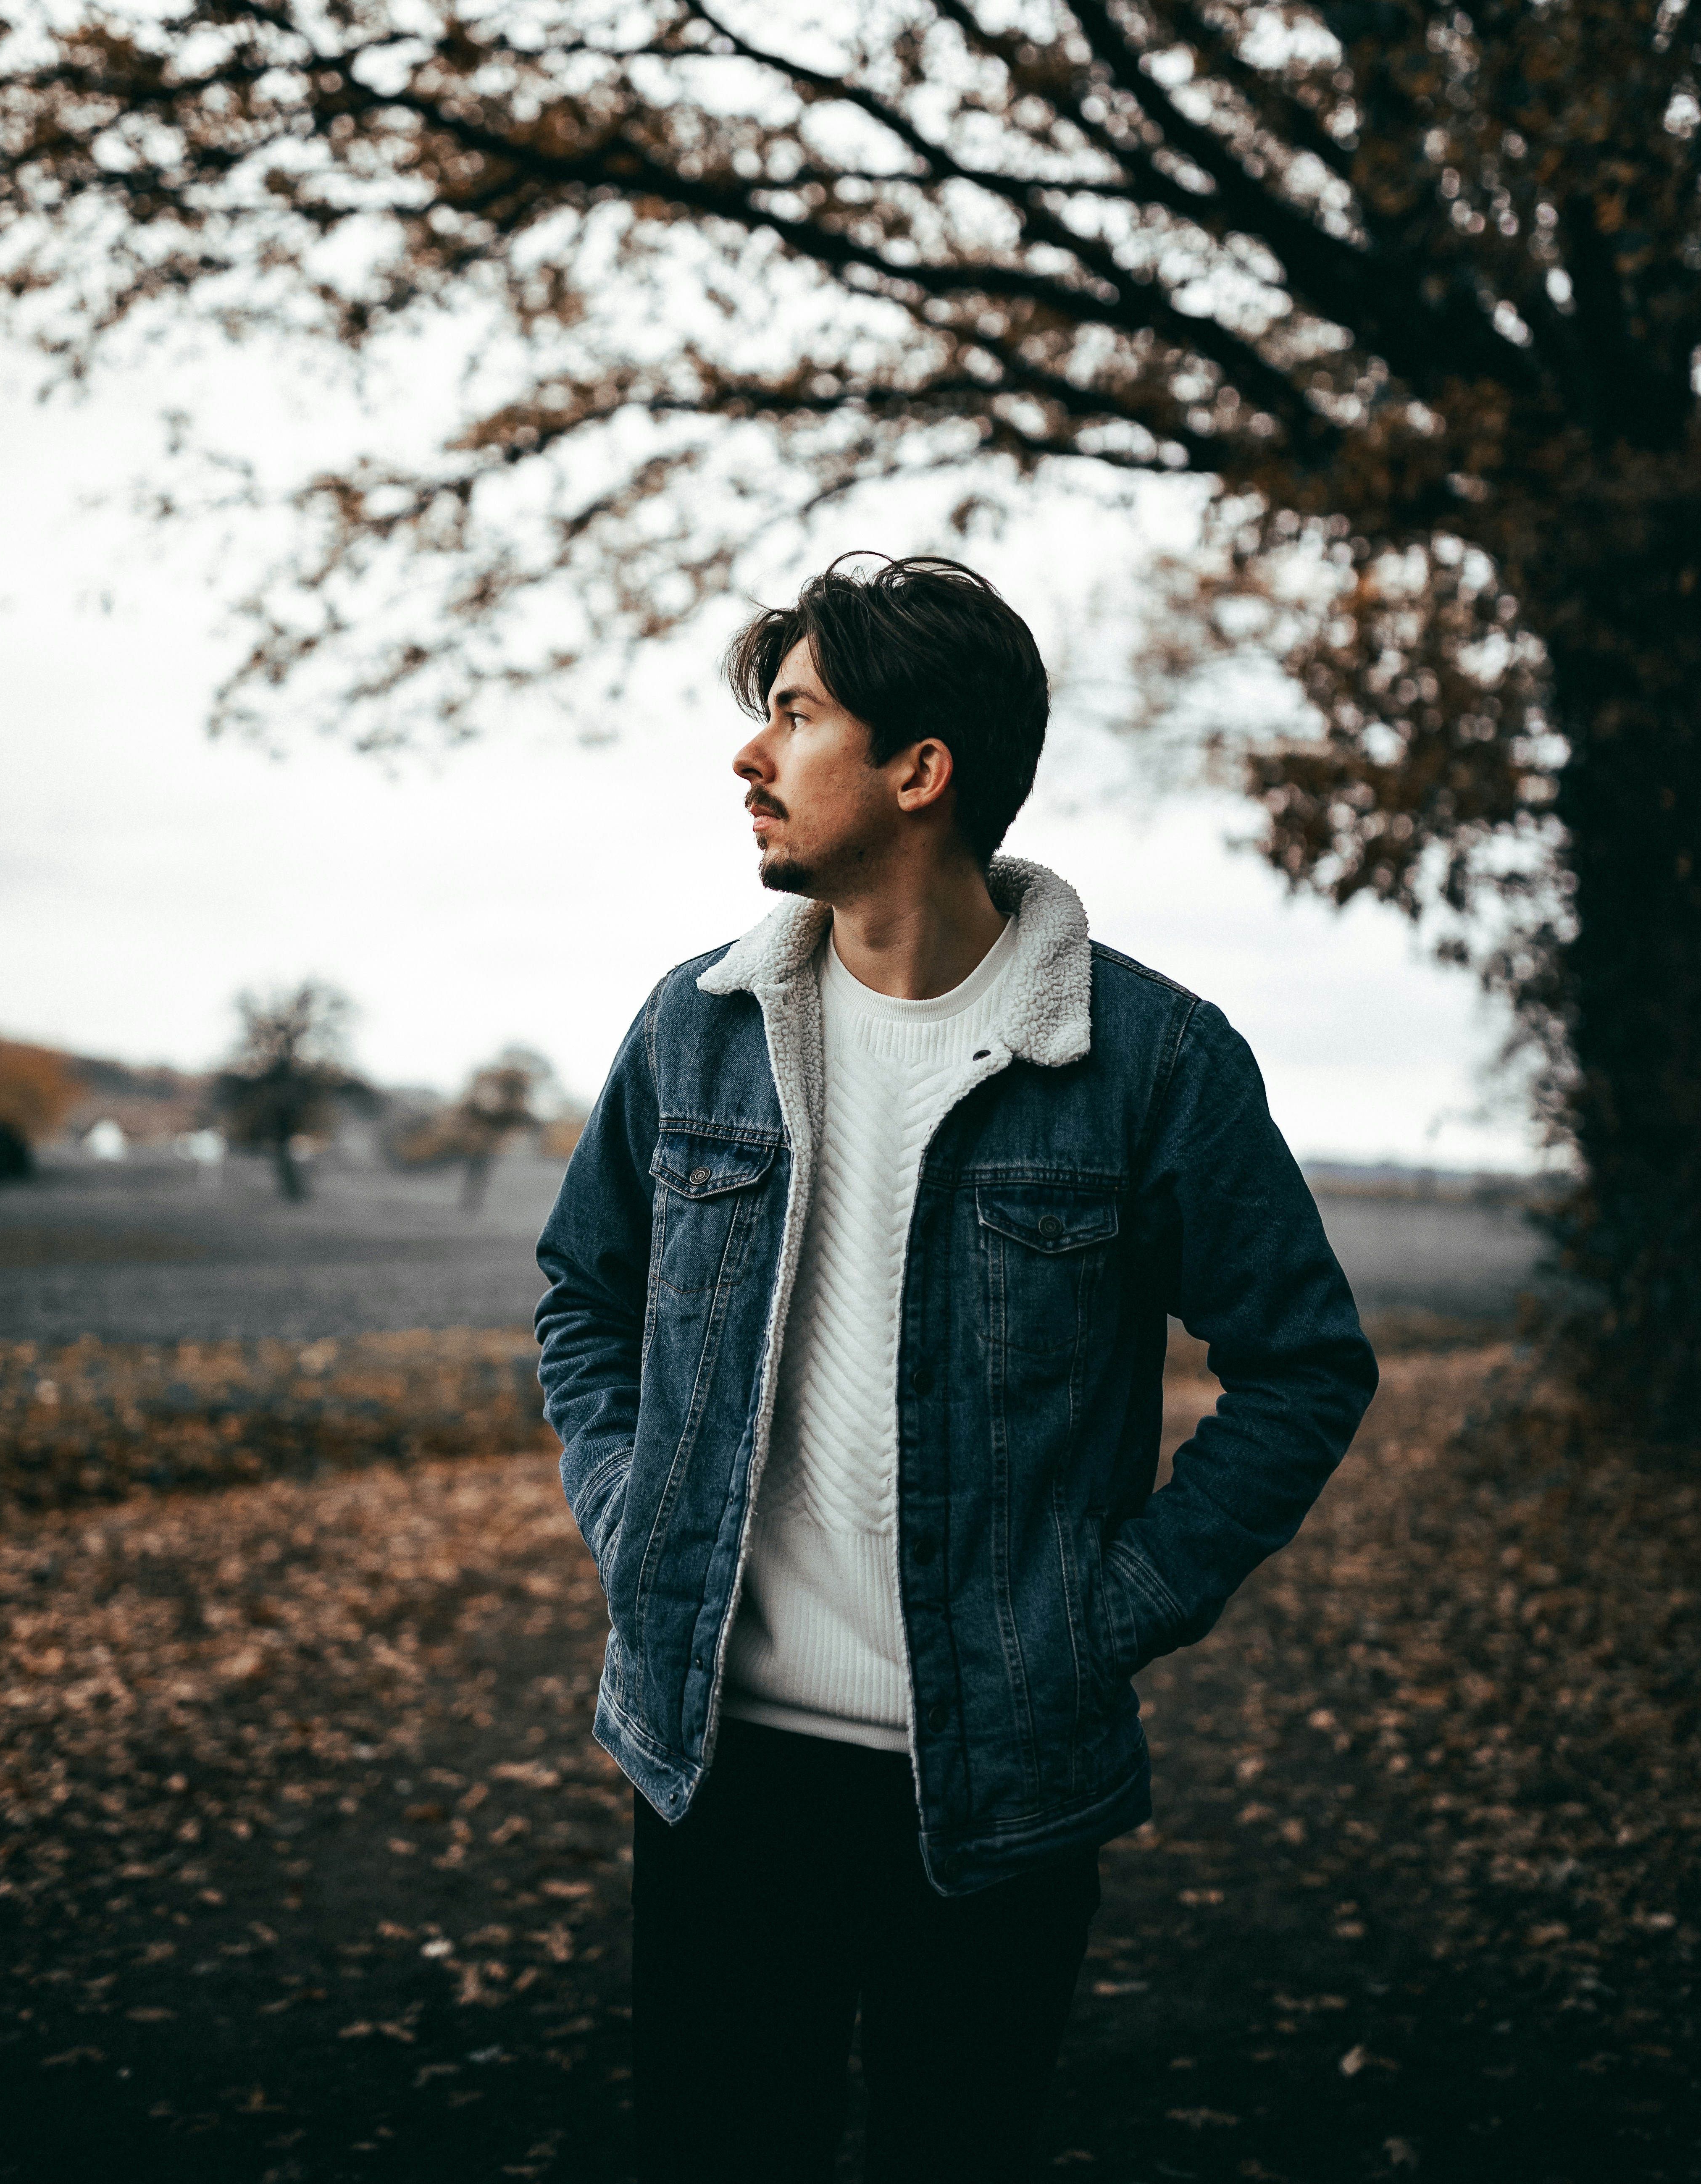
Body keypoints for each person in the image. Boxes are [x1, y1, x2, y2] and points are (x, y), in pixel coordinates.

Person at [534, 554, 1378, 2181]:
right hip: (711, 1764)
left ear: (920, 770)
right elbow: (583, 1295)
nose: (747, 757)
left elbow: (1301, 1366)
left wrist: (1103, 1614)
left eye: (791, 715)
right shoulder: (690, 1030)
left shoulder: (1149, 1063)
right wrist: (630, 1506)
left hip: (995, 1791)